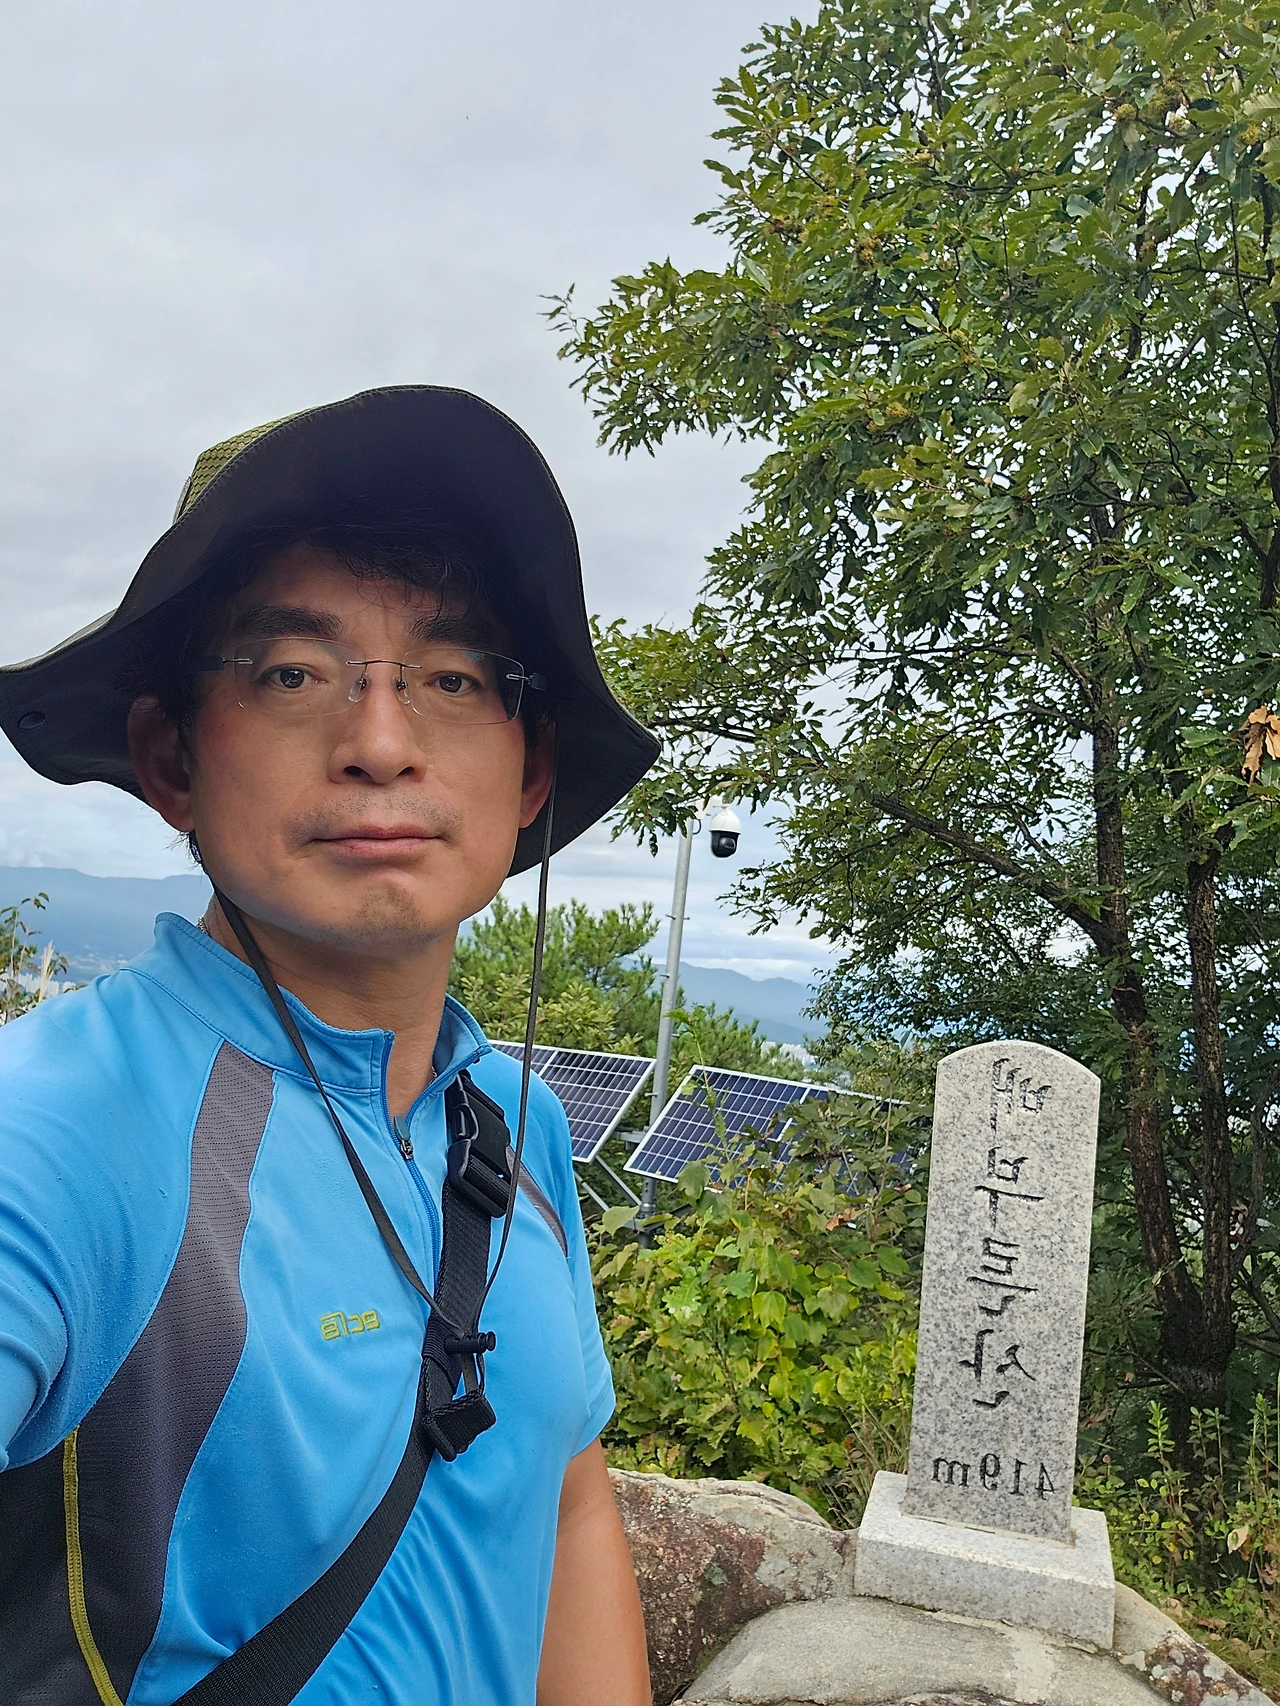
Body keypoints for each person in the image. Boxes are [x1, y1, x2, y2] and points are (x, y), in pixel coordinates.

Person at [0, 387, 658, 1705]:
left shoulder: (506, 1120)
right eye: (293, 672)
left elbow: (566, 1497)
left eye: (453, 679)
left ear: (530, 772)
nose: (381, 745)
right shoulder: (57, 1135)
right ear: (170, 757)